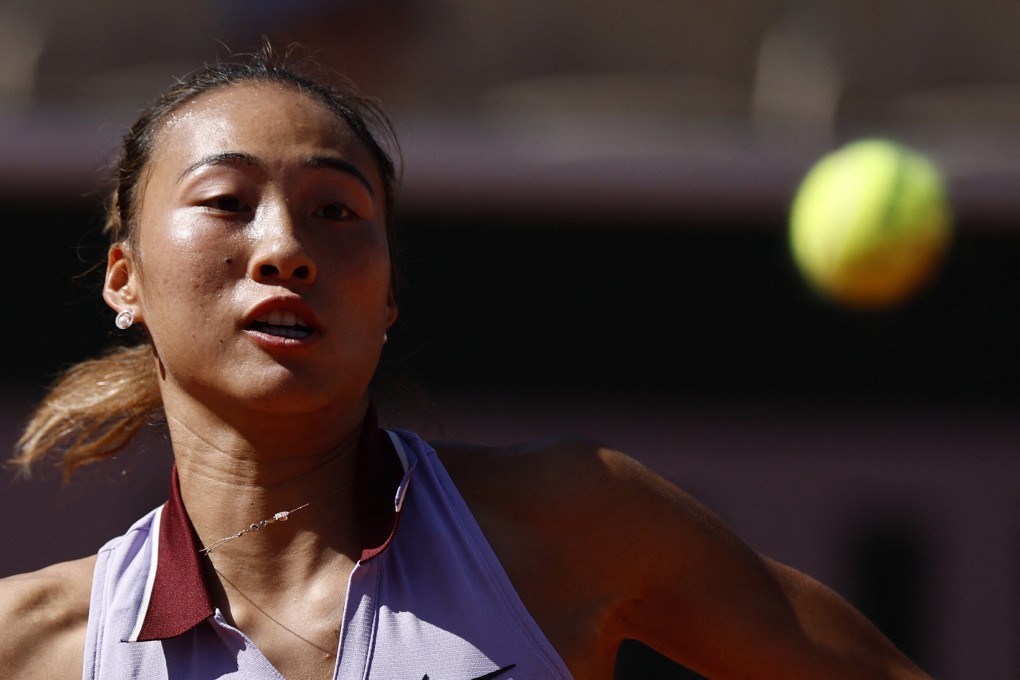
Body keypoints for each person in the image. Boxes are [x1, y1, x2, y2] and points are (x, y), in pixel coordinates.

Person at [0, 49, 931, 680]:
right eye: (227, 201)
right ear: (125, 278)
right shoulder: (30, 645)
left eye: (336, 212)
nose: (285, 248)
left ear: (389, 297)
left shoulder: (581, 522)